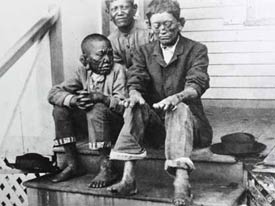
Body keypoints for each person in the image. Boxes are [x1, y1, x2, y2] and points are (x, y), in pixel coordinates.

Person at [107, 0, 213, 205]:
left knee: (179, 108)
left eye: (168, 24)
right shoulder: (144, 52)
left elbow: (198, 82)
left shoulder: (196, 49)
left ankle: (182, 182)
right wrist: (135, 93)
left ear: (181, 23)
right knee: (134, 106)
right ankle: (128, 179)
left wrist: (177, 97)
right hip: (158, 130)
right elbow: (136, 78)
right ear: (149, 26)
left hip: (191, 127)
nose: (162, 30)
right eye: (157, 26)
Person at [48, 33, 126, 188]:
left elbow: (123, 104)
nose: (107, 60)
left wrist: (100, 97)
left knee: (96, 107)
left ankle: (106, 167)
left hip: (116, 125)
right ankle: (73, 163)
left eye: (110, 54)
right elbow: (53, 93)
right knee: (60, 109)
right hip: (93, 124)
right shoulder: (83, 72)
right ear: (85, 60)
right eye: (100, 55)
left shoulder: (118, 70)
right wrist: (75, 100)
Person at [107, 0, 153, 69]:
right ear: (109, 13)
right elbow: (119, 69)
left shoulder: (149, 32)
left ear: (134, 9)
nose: (119, 13)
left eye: (124, 8)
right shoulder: (111, 41)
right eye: (114, 9)